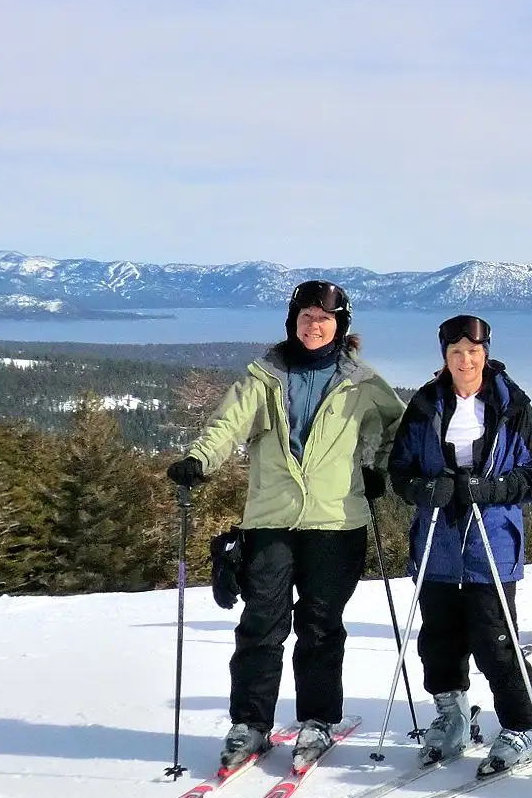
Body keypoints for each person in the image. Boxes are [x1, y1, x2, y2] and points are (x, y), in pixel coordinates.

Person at [165, 281, 405, 768]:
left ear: (341, 326)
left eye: (325, 319)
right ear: (292, 323)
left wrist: (378, 467)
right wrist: (199, 459)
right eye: (306, 318)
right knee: (261, 623)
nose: (315, 327)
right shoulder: (264, 376)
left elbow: (399, 425)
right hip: (271, 517)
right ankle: (251, 723)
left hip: (338, 521)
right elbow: (226, 425)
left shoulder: (361, 381)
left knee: (320, 625)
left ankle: (316, 721)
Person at [388, 314, 532, 771]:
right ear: (445, 356)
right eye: (456, 352)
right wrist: (424, 489)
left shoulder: (511, 405)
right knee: (438, 640)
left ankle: (523, 724)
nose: (465, 360)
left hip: (491, 539)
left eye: (473, 351)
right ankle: (452, 717)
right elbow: (399, 470)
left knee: (494, 639)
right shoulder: (425, 405)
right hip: (438, 539)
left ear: (485, 354)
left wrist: (493, 488)